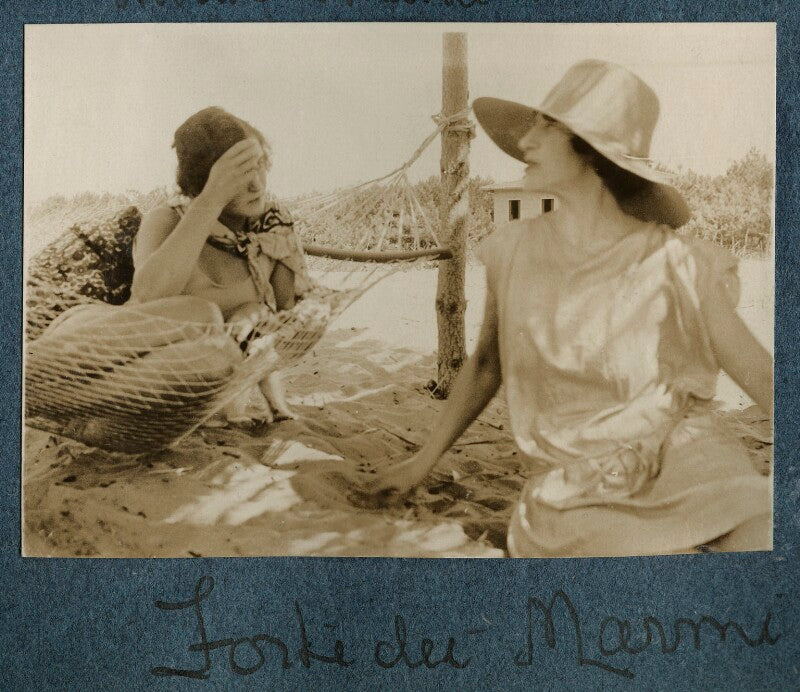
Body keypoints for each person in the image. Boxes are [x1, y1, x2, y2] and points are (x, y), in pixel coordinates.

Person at [364, 60, 773, 557]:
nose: (526, 141)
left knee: (761, 528)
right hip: (575, 487)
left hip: (686, 454)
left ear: (592, 150)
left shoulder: (679, 262)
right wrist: (421, 462)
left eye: (546, 125)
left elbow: (759, 372)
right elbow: (487, 364)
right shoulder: (511, 250)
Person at [42, 106, 313, 423]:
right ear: (205, 180)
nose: (256, 184)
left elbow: (285, 324)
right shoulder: (168, 219)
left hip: (161, 388)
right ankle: (35, 381)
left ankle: (69, 404)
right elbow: (148, 297)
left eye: (260, 166)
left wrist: (255, 323)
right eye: (239, 174)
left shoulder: (271, 233)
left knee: (219, 358)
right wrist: (211, 200)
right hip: (95, 352)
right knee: (200, 314)